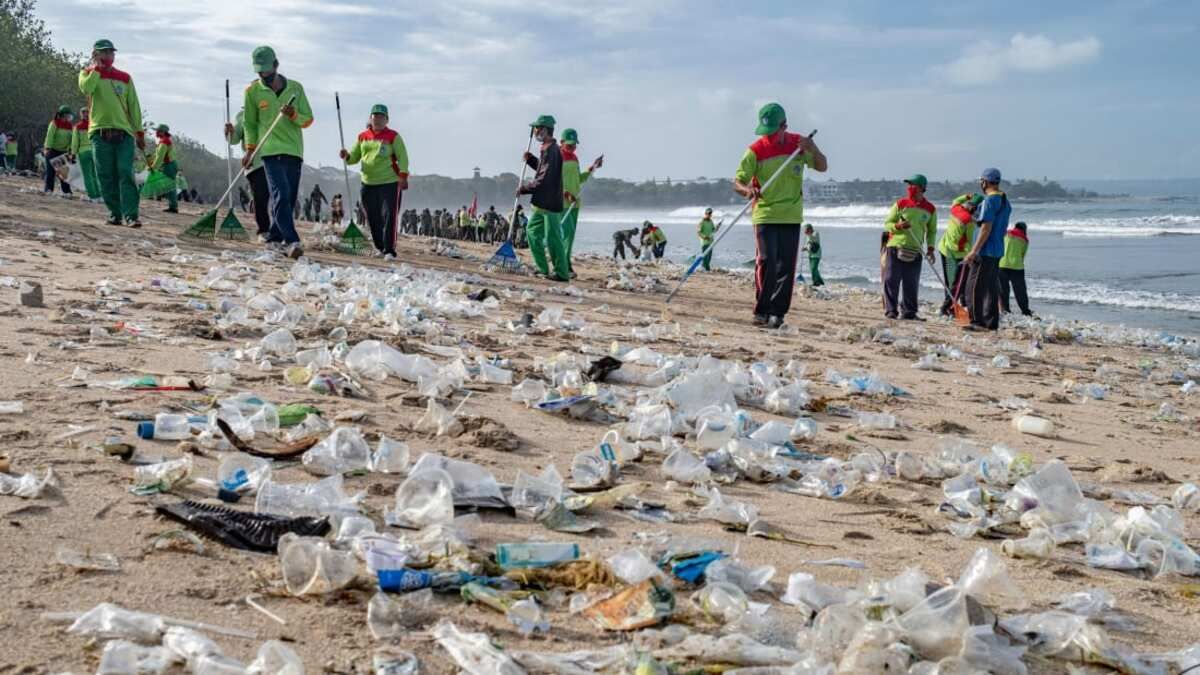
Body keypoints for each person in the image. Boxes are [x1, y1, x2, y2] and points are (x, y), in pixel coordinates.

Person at [733, 102, 828, 328]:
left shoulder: (799, 145)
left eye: (774, 131)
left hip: (791, 214)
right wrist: (747, 190)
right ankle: (762, 310)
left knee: (786, 266)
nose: (769, 137)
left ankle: (778, 313)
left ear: (784, 126)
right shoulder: (755, 150)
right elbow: (737, 182)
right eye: (766, 132)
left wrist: (813, 148)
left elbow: (823, 167)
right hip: (764, 213)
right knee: (767, 261)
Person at [243, 45, 313, 259]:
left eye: (266, 70)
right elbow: (250, 124)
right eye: (259, 71)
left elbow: (308, 119)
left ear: (276, 65)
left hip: (294, 150)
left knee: (289, 199)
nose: (263, 75)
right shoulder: (252, 91)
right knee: (280, 194)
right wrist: (250, 150)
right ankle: (292, 241)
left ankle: (274, 237)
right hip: (270, 151)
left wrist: (293, 114)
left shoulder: (296, 88)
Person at [79, 39, 144, 227]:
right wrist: (96, 69)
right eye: (104, 52)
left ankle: (131, 215)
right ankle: (114, 213)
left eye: (111, 53)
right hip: (99, 134)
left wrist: (139, 131)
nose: (108, 56)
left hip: (124, 134)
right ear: (95, 54)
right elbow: (86, 88)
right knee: (105, 175)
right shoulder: (87, 74)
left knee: (126, 172)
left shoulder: (125, 78)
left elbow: (134, 106)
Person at [341, 103, 409, 258]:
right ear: (370, 118)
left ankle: (389, 250)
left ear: (387, 120)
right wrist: (346, 156)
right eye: (375, 116)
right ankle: (380, 247)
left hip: (389, 182)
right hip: (368, 183)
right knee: (372, 217)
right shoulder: (362, 136)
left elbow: (403, 157)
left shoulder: (393, 136)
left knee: (389, 215)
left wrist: (403, 175)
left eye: (381, 117)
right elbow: (353, 157)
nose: (377, 119)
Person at [517, 114, 568, 281]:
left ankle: (561, 272)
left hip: (550, 202)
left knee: (553, 238)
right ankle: (542, 268)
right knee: (531, 232)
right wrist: (531, 159)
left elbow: (544, 179)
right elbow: (541, 168)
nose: (535, 131)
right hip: (541, 202)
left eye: (537, 128)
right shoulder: (546, 149)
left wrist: (524, 188)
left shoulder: (552, 150)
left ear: (545, 130)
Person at [881, 174, 937, 320]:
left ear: (922, 188)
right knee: (891, 280)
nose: (910, 188)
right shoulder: (900, 203)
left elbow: (932, 231)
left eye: (913, 185)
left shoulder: (930, 208)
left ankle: (909, 313)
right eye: (909, 185)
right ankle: (891, 311)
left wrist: (931, 248)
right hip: (895, 246)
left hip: (916, 248)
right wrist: (898, 226)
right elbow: (887, 224)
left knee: (911, 283)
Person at [962, 168, 1011, 331]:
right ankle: (991, 323)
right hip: (997, 250)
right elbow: (1001, 227)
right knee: (990, 288)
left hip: (985, 250)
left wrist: (974, 251)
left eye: (981, 181)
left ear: (985, 182)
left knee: (973, 287)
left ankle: (977, 322)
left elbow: (986, 228)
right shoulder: (1005, 201)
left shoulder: (990, 201)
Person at [559, 128, 602, 277]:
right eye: (569, 144)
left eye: (574, 145)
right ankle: (563, 266)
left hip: (575, 203)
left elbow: (579, 179)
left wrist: (592, 168)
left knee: (570, 237)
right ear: (562, 142)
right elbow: (553, 180)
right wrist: (565, 193)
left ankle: (566, 264)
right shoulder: (557, 156)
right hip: (562, 203)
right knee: (566, 235)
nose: (572, 147)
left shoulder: (575, 158)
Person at [226, 108, 270, 239]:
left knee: (280, 198)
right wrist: (229, 132)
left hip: (275, 159)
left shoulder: (272, 109)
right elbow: (233, 140)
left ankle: (280, 231)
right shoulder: (242, 115)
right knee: (261, 197)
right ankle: (264, 230)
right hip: (255, 163)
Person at [937, 193, 982, 316]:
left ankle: (951, 307)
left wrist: (967, 196)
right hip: (957, 254)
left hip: (944, 248)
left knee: (950, 281)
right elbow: (969, 241)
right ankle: (946, 308)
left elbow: (956, 199)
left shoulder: (955, 208)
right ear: (975, 208)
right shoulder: (969, 221)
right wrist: (971, 256)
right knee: (958, 283)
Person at [999, 221, 1033, 316]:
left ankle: (1006, 310)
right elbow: (1022, 255)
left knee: (1003, 289)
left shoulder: (1006, 233)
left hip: (1002, 264)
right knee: (1020, 290)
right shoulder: (1025, 239)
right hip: (1017, 266)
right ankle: (1025, 311)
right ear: (1024, 229)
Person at [147, 124, 180, 213]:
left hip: (169, 165)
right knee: (167, 185)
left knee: (169, 186)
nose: (156, 132)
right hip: (168, 165)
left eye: (157, 131)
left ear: (162, 132)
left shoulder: (164, 142)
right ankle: (172, 205)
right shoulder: (163, 141)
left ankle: (173, 206)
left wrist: (153, 167)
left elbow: (160, 157)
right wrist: (151, 158)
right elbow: (157, 155)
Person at [43, 105, 74, 195]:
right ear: (63, 115)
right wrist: (47, 148)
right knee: (50, 172)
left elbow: (71, 139)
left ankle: (66, 191)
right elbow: (50, 136)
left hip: (63, 152)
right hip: (52, 150)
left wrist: (70, 150)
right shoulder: (54, 123)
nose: (69, 117)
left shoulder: (70, 126)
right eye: (68, 115)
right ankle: (48, 189)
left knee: (64, 173)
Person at [71, 107, 101, 201]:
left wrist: (73, 153)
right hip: (95, 151)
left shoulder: (78, 127)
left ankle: (92, 196)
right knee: (95, 174)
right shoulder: (96, 126)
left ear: (81, 115)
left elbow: (75, 142)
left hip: (83, 152)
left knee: (87, 175)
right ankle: (99, 195)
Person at [697, 207, 719, 271]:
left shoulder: (711, 221)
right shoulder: (702, 222)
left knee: (709, 257)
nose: (709, 215)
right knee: (705, 257)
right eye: (708, 213)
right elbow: (699, 232)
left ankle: (706, 268)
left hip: (711, 242)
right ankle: (705, 269)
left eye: (710, 213)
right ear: (705, 213)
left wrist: (717, 227)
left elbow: (713, 231)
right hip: (704, 242)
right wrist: (705, 237)